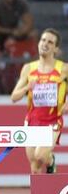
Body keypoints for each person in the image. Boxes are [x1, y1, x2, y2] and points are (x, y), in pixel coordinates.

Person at [11, 28, 67, 175]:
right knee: (34, 167)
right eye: (43, 40)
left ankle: (51, 161)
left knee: (40, 155)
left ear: (56, 48)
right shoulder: (29, 68)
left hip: (53, 120)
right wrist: (26, 88)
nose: (45, 44)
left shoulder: (64, 69)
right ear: (38, 43)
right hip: (32, 120)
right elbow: (14, 97)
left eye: (50, 42)